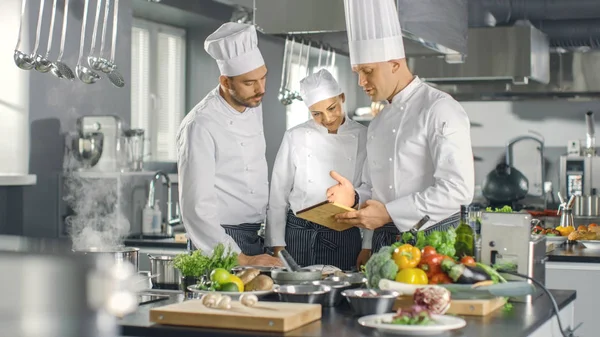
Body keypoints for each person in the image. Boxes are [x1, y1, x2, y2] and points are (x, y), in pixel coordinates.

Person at [326, 0, 475, 253]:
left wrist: (389, 213)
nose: (362, 81)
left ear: (395, 64)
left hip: (434, 242)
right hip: (384, 242)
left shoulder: (439, 108)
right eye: (357, 72)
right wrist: (354, 199)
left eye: (368, 71)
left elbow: (457, 190)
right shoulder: (378, 123)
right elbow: (374, 190)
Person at [176, 22, 281, 266]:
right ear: (225, 81)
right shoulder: (200, 125)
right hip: (219, 240)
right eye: (249, 82)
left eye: (263, 77)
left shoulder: (253, 102)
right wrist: (241, 258)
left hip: (254, 235)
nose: (261, 89)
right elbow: (196, 208)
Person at [265, 69, 372, 271]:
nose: (327, 118)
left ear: (342, 98)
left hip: (343, 232)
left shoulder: (365, 136)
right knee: (296, 295)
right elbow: (278, 195)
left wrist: (367, 245)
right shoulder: (295, 136)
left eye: (332, 108)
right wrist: (277, 245)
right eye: (317, 113)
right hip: (298, 233)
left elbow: (370, 191)